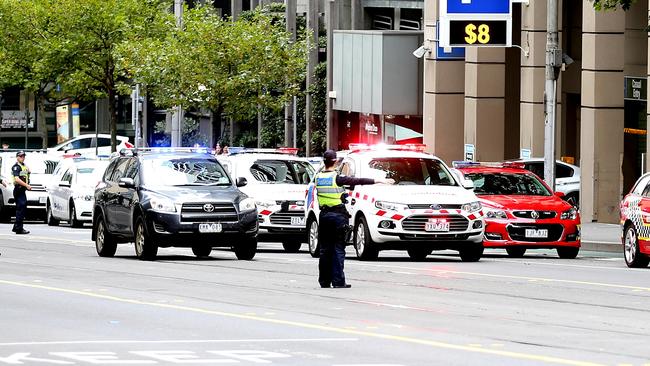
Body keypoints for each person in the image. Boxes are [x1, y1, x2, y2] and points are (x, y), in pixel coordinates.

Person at [315, 150, 394, 288]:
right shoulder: (337, 178)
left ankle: (324, 281)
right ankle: (338, 281)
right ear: (335, 161)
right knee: (338, 248)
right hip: (338, 216)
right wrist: (378, 180)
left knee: (325, 250)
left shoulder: (318, 177)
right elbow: (357, 181)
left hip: (324, 216)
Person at [11, 151, 31, 235]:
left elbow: (27, 173)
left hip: (22, 190)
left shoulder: (23, 166)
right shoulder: (16, 167)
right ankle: (19, 228)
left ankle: (16, 227)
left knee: (21, 209)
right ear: (17, 157)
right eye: (21, 156)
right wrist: (26, 185)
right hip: (19, 189)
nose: (23, 158)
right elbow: (17, 179)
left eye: (23, 156)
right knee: (21, 209)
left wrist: (28, 171)